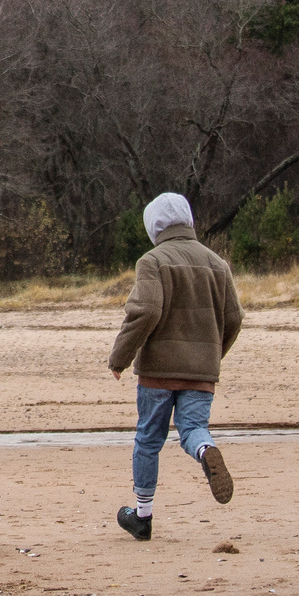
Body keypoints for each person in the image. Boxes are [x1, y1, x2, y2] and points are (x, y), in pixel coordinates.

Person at [108, 191, 243, 540]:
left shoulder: (152, 261)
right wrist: (212, 355)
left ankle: (142, 516)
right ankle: (205, 450)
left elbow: (146, 312)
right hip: (202, 371)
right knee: (193, 429)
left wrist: (120, 356)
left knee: (148, 439)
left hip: (158, 371)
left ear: (153, 225)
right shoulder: (217, 263)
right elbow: (234, 317)